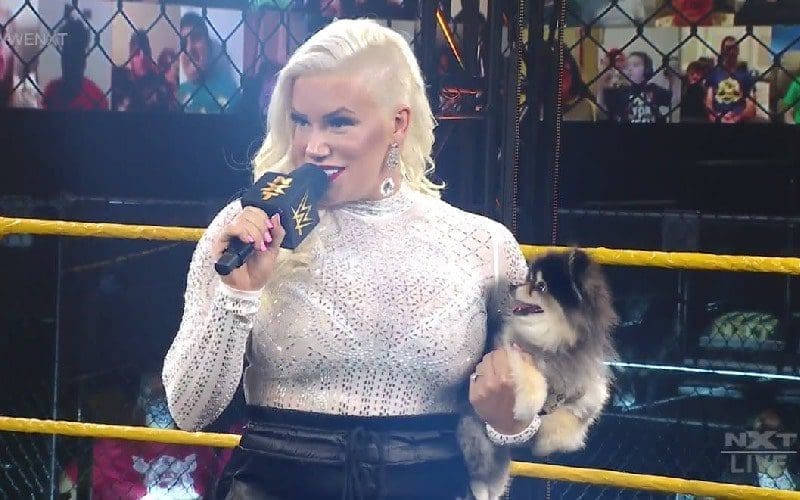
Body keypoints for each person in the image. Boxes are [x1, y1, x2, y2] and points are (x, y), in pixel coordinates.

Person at [163, 18, 537, 499]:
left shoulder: (483, 245)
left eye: (339, 122)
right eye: (301, 120)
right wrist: (237, 297)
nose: (313, 146)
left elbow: (529, 422)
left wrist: (510, 416)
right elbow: (189, 411)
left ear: (398, 124)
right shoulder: (247, 227)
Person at [177, 12, 240, 114]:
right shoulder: (178, 94)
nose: (189, 49)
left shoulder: (230, 92)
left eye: (196, 38)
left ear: (209, 46)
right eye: (183, 43)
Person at [42, 16, 108, 111]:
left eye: (76, 51)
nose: (70, 59)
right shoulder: (51, 91)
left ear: (83, 57)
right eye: (66, 51)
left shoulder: (97, 97)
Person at [604, 51, 672, 123]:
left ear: (647, 69)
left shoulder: (653, 89)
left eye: (635, 65)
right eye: (627, 66)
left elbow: (673, 99)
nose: (630, 69)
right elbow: (605, 106)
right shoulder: (621, 92)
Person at [705, 36, 756, 124]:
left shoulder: (746, 75)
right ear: (722, 51)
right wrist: (716, 118)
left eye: (734, 48)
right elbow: (708, 103)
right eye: (728, 48)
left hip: (739, 119)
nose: (731, 51)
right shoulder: (714, 73)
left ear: (738, 51)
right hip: (718, 118)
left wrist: (736, 118)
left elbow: (751, 108)